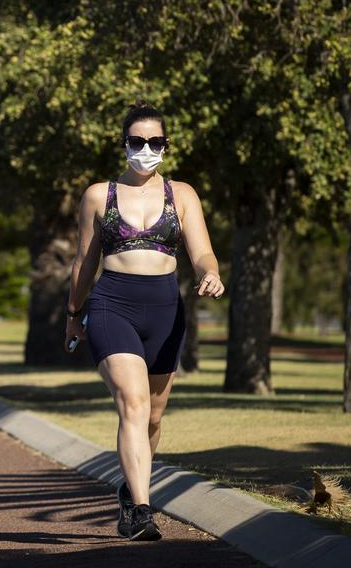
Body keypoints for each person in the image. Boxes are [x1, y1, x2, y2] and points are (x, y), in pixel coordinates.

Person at [64, 102, 224, 541]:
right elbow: (84, 262)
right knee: (132, 403)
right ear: (124, 144)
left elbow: (202, 252)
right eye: (137, 141)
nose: (146, 149)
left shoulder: (182, 194)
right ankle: (140, 510)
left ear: (165, 146)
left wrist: (210, 272)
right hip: (113, 304)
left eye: (155, 142)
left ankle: (130, 488)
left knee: (153, 417)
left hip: (165, 312)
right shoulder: (100, 195)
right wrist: (74, 315)